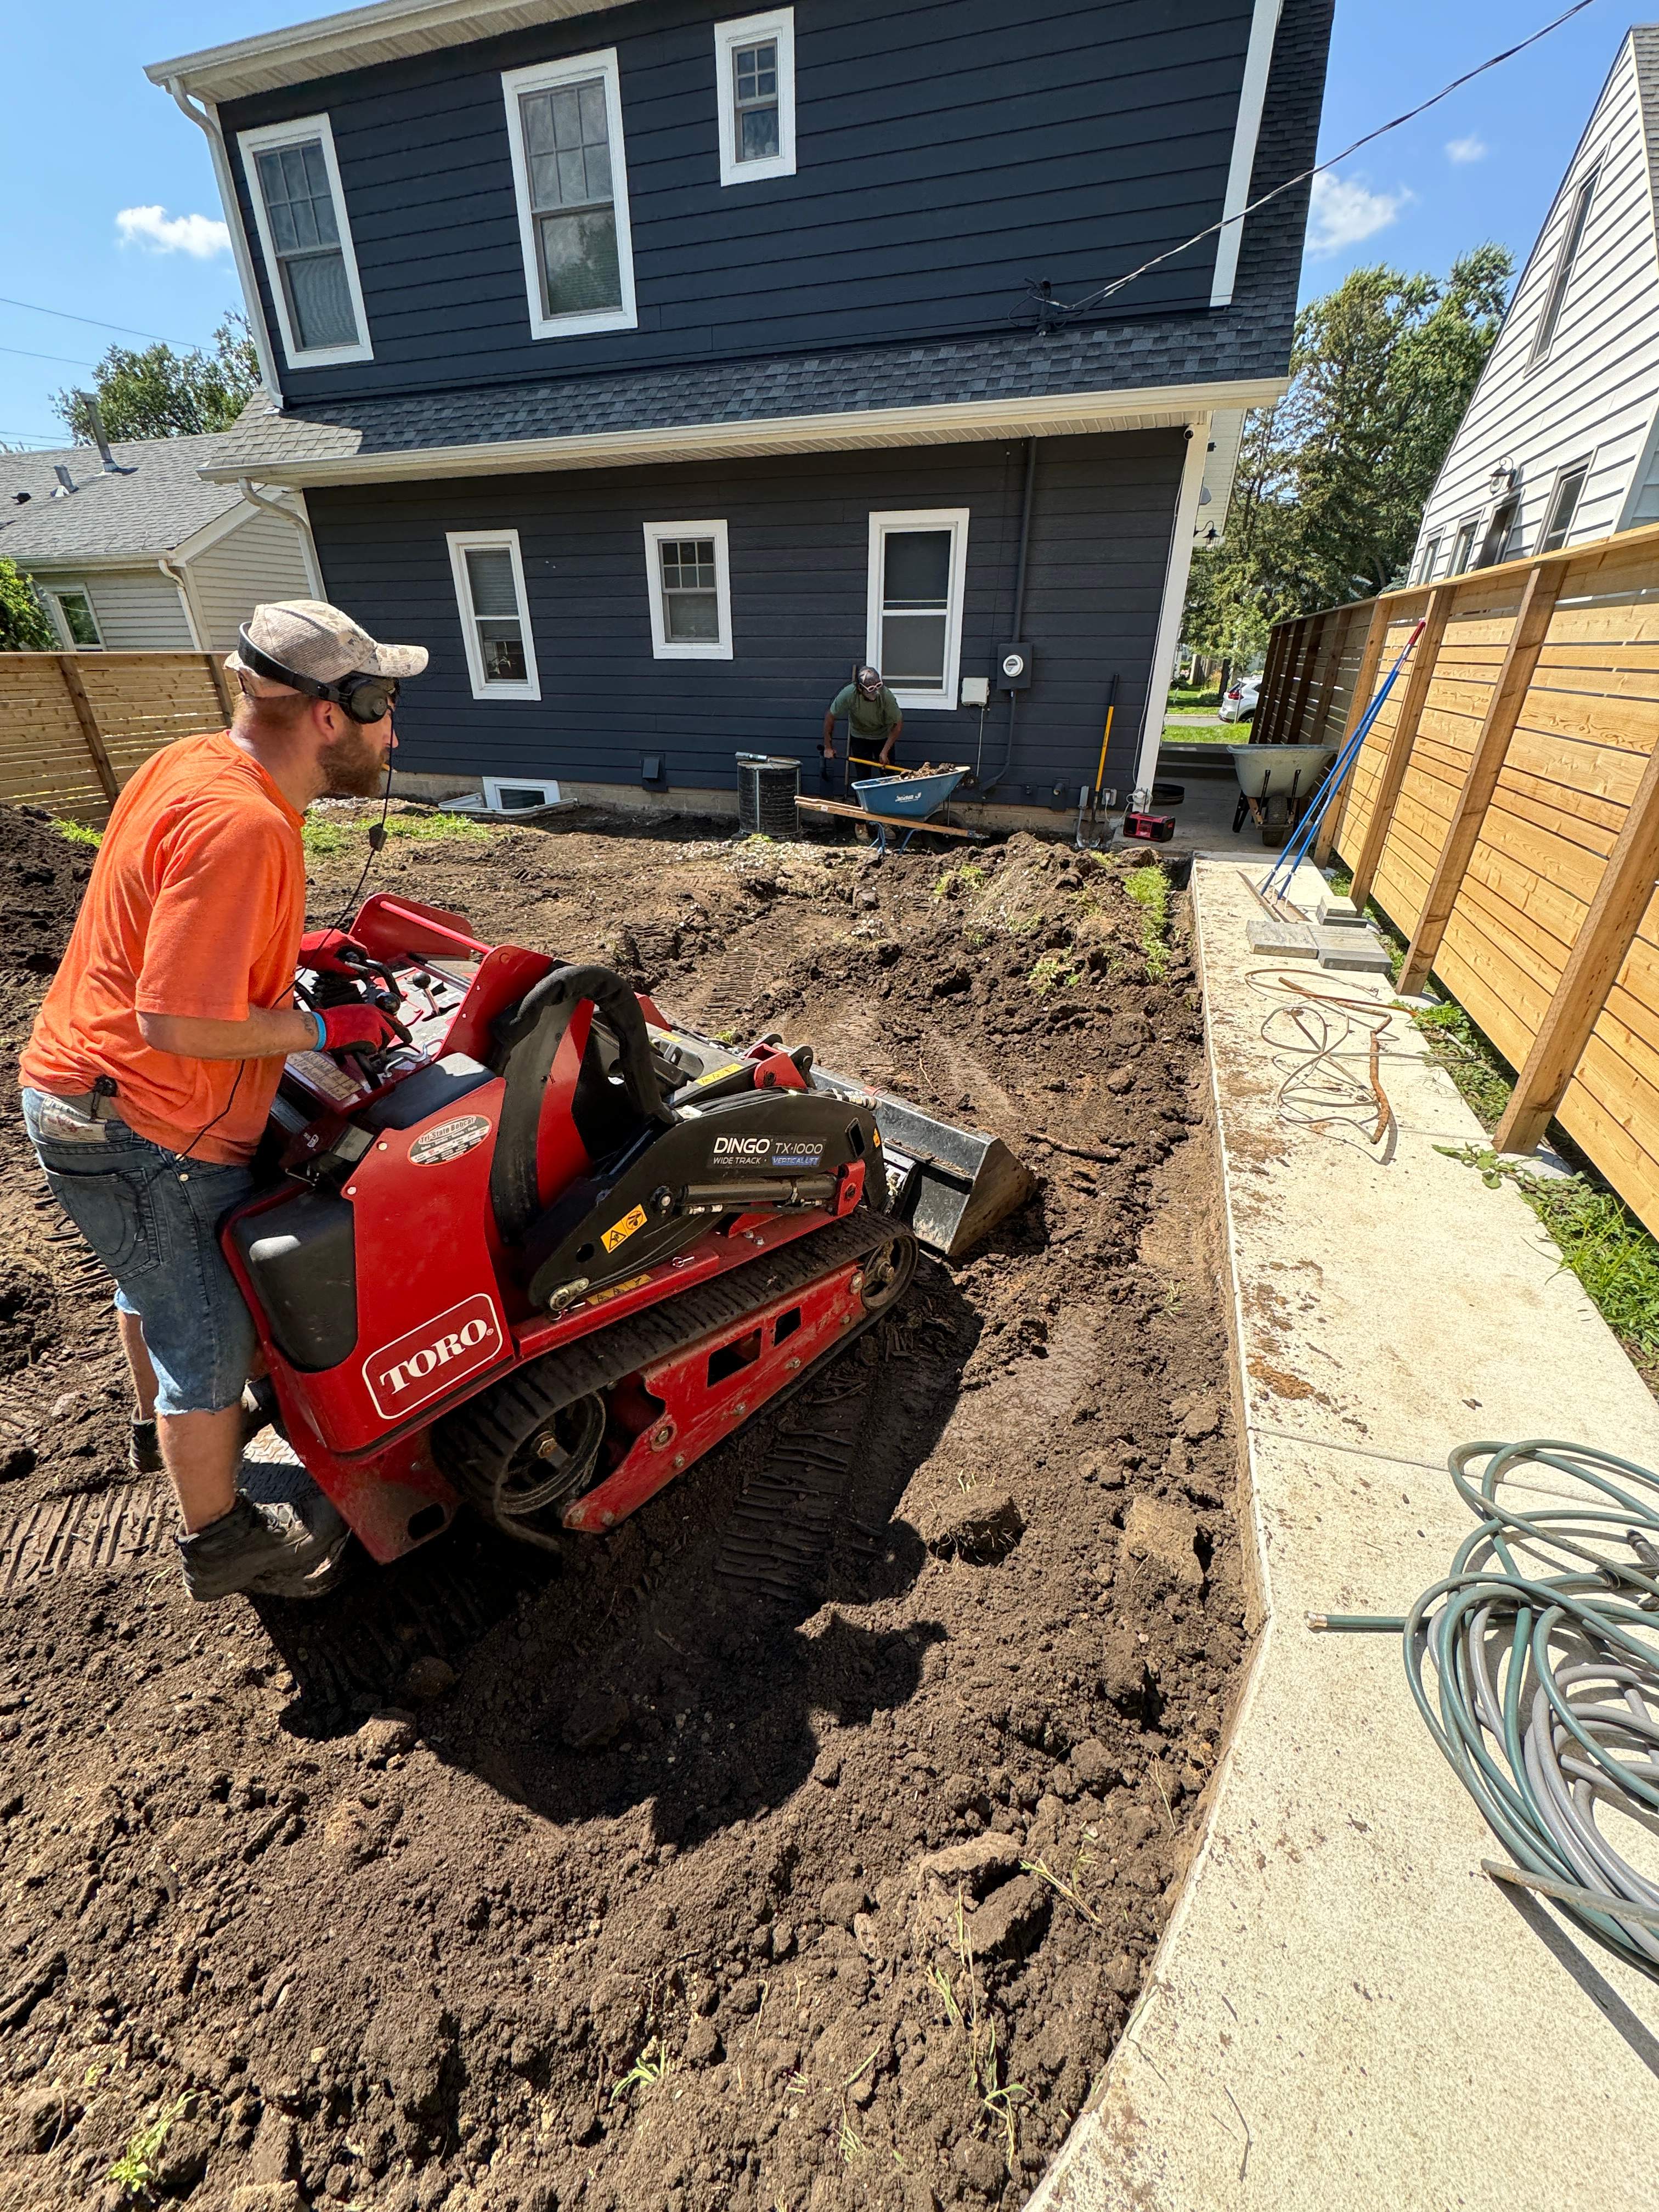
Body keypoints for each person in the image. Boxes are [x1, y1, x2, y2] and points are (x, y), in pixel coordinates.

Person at [20, 600, 427, 1603]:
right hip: (148, 1118)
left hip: (77, 1088)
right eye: (383, 706)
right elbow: (177, 1021)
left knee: (151, 1277)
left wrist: (289, 959)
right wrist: (334, 1030)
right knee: (208, 1334)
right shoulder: (245, 823)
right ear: (332, 714)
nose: (393, 731)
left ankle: (155, 1434)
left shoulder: (190, 763)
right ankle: (221, 1536)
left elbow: (169, 928)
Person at [822, 665, 904, 785]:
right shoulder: (849, 694)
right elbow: (830, 716)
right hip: (859, 736)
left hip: (883, 736)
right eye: (870, 689)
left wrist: (885, 751)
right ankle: (862, 803)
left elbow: (898, 724)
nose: (876, 692)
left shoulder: (885, 696)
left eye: (878, 686)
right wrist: (828, 747)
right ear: (860, 688)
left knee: (888, 776)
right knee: (863, 778)